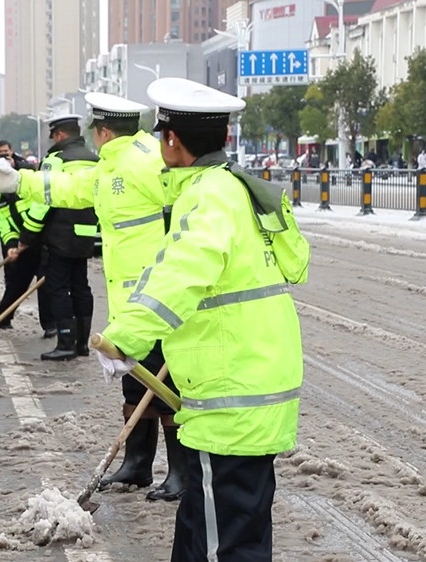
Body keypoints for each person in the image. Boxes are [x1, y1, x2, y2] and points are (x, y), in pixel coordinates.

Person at [97, 77, 307, 560]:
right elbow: (297, 263)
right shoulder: (241, 188)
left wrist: (125, 338)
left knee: (226, 545)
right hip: (249, 389)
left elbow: (182, 271)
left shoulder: (208, 194)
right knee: (201, 526)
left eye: (161, 135)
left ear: (172, 139)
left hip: (230, 399)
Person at [0, 92, 187, 502]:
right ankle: (138, 464)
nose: (93, 136)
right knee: (135, 382)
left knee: (166, 385)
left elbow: (185, 202)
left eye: (95, 130)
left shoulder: (147, 161)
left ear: (104, 132)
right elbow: (74, 187)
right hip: (130, 301)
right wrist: (21, 182)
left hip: (159, 297)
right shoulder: (114, 162)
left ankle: (181, 472)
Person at [21, 113, 99, 360]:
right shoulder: (95, 159)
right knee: (80, 287)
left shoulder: (56, 160)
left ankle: (66, 343)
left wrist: (27, 236)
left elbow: (42, 201)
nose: (53, 140)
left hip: (61, 235)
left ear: (61, 134)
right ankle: (82, 344)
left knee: (57, 287)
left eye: (54, 135)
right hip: (87, 234)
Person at [0, 141, 53, 336]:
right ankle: (2, 319)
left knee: (45, 284)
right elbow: (4, 224)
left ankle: (50, 325)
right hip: (24, 243)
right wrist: (11, 245)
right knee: (16, 282)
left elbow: (41, 210)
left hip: (43, 240)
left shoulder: (28, 181)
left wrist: (26, 238)